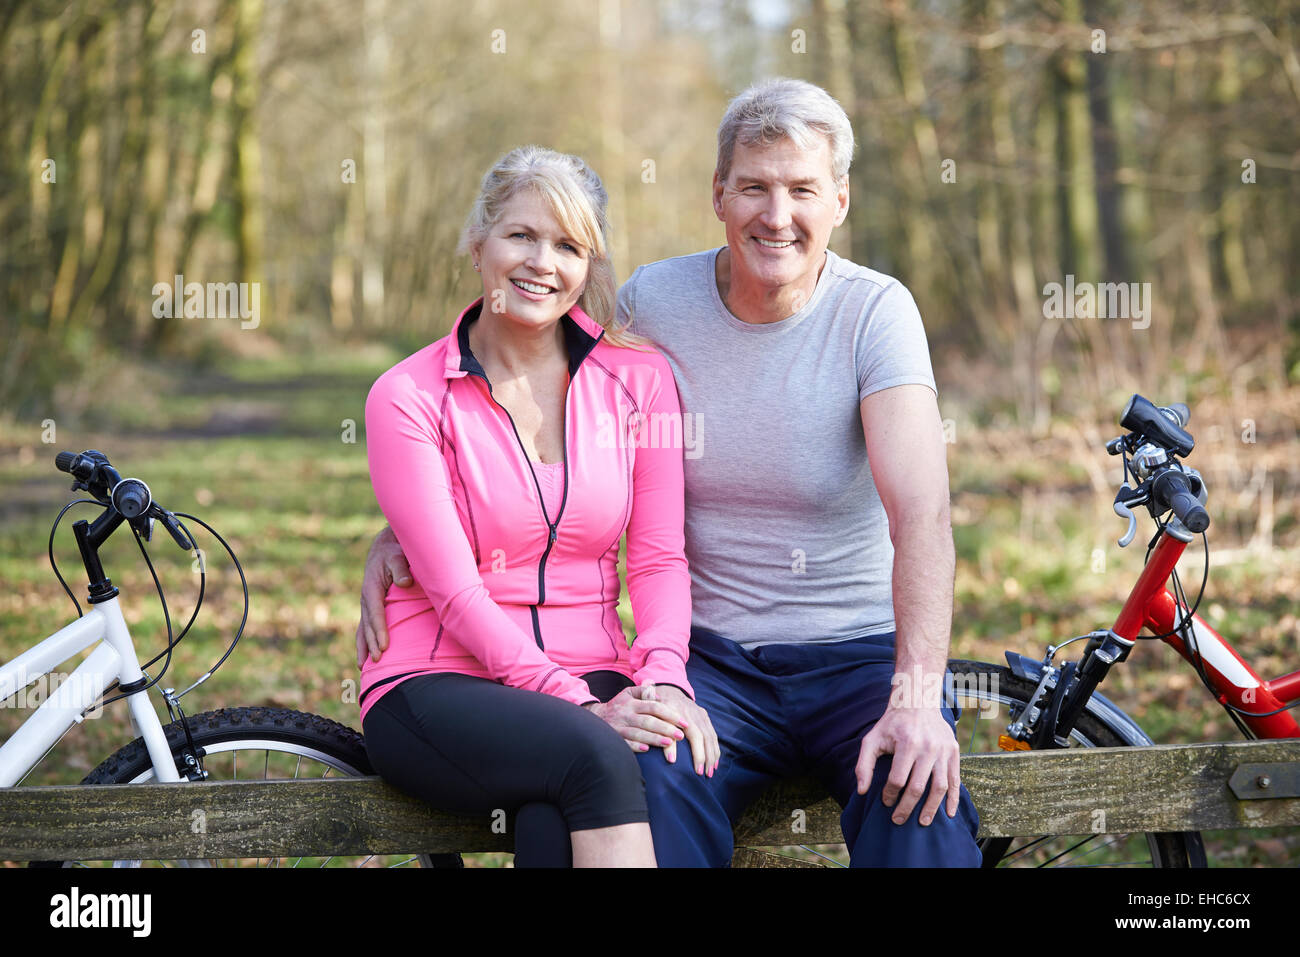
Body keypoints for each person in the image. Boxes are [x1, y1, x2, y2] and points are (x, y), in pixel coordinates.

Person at [358, 79, 981, 866]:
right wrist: (405, 528)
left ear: (841, 201)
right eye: (753, 186)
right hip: (709, 657)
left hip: (856, 655)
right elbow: (504, 398)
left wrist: (918, 697)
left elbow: (921, 515)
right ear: (717, 193)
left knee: (916, 794)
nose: (776, 214)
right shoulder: (655, 306)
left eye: (802, 190)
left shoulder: (876, 314)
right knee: (649, 770)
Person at [357, 145, 717, 868]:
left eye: (568, 245)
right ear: (477, 241)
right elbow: (455, 592)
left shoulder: (641, 380)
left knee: (608, 784)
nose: (542, 263)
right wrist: (577, 706)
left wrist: (666, 675)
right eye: (522, 235)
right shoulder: (408, 396)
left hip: (595, 665)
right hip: (438, 681)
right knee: (587, 755)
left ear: (590, 263)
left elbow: (657, 556)